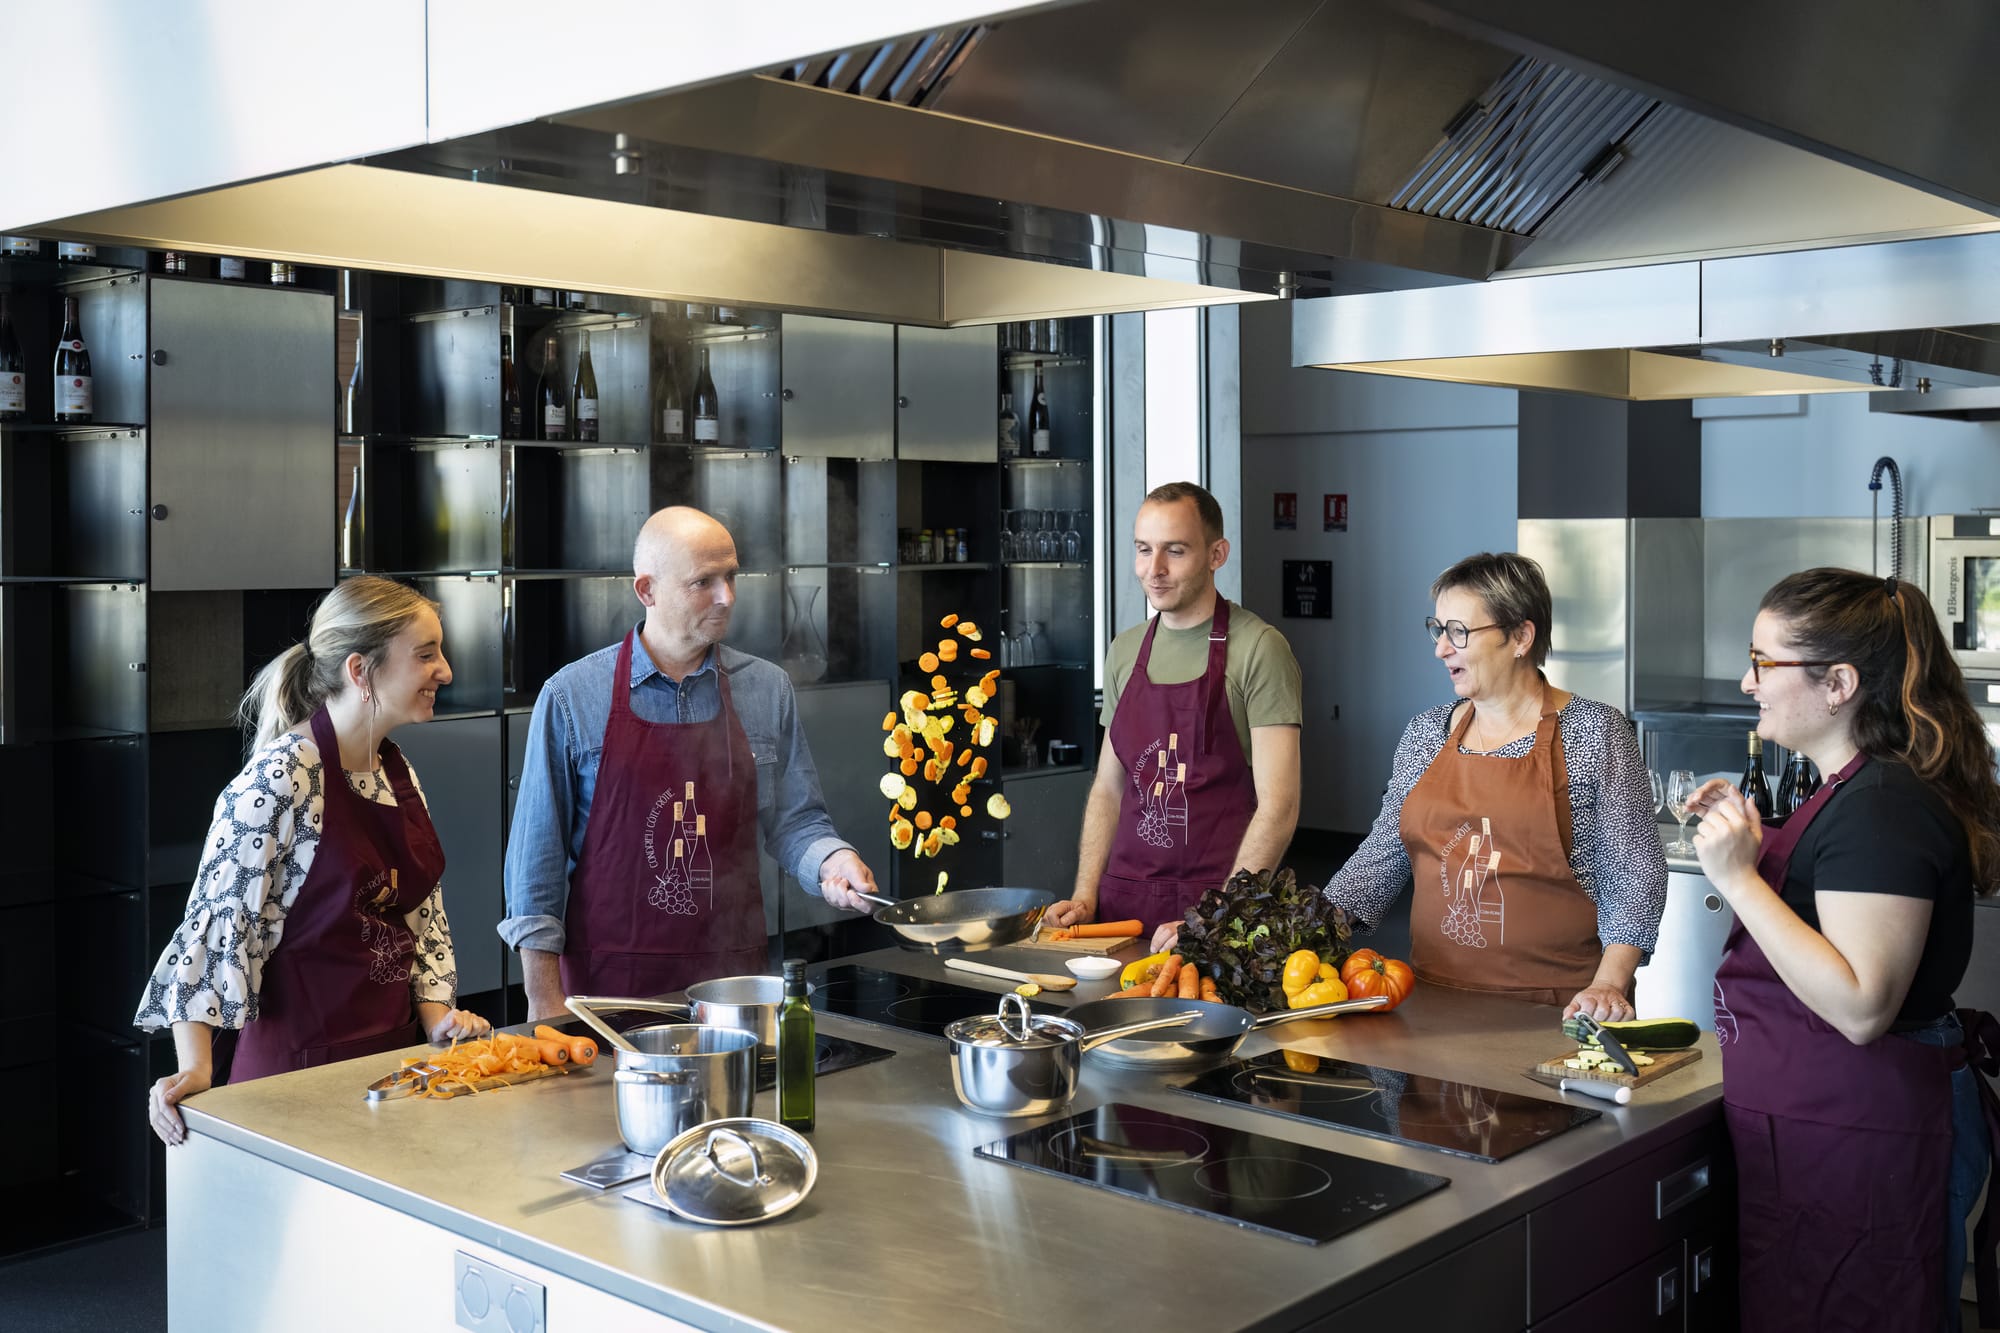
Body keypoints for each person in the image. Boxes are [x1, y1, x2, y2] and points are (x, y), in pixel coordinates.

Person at [1687, 569, 2000, 1333]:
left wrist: (1737, 877)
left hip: (1866, 1137)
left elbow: (1863, 1005)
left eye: (1764, 662)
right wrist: (1756, 847)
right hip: (1832, 1129)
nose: (1746, 680)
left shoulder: (1883, 806)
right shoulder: (1851, 792)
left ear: (1839, 685)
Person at [137, 577, 489, 1147]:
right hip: (291, 1084)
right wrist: (197, 1068)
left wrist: (438, 1021)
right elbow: (218, 927)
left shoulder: (394, 773)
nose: (445, 671)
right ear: (360, 670)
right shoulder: (283, 777)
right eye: (426, 654)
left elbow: (424, 922)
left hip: (393, 1071)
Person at [502, 506, 878, 1019]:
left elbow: (796, 822)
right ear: (647, 591)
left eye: (731, 576)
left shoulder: (766, 689)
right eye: (703, 582)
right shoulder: (571, 696)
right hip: (606, 991)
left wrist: (835, 862)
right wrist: (542, 999)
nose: (727, 597)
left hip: (734, 985)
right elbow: (535, 866)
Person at [1322, 552, 1665, 1019]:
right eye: (1437, 629)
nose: (1441, 648)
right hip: (1431, 1002)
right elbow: (1381, 857)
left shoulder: (1595, 732)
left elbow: (1634, 873)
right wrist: (1301, 935)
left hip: (1562, 1008)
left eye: (1459, 632)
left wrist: (1609, 983)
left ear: (1521, 636)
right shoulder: (1427, 733)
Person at [1045, 482, 1302, 933]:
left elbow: (1279, 806)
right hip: (1120, 906)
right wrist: (1085, 893)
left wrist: (1218, 916)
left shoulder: (1260, 649)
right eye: (1143, 550)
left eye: (1175, 551)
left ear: (1217, 554)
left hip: (1217, 911)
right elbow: (1109, 786)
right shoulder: (1125, 651)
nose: (1154, 569)